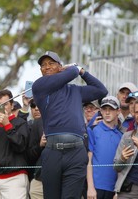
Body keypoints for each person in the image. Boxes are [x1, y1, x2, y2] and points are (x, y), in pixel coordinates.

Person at [32, 51, 108, 199]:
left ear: (60, 67)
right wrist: (75, 69)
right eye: (43, 65)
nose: (46, 67)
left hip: (76, 153)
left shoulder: (75, 90)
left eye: (51, 63)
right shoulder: (39, 86)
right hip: (53, 152)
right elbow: (72, 72)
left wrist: (83, 72)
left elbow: (101, 90)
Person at [87, 96, 122, 199]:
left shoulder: (121, 135)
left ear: (118, 111)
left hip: (113, 188)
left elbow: (122, 165)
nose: (107, 112)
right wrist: (90, 187)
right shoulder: (92, 130)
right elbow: (88, 161)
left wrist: (118, 191)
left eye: (111, 109)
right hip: (96, 188)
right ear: (100, 111)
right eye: (104, 109)